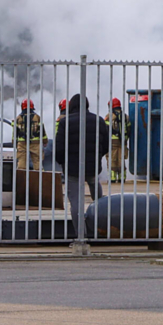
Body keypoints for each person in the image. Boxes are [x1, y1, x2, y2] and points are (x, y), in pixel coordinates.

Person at [55, 94, 109, 233]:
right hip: (91, 166)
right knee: (95, 188)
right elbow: (106, 145)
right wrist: (96, 157)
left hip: (72, 168)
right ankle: (100, 225)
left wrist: (62, 163)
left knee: (75, 202)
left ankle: (81, 234)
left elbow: (59, 148)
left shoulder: (65, 122)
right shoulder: (99, 120)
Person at [14, 99, 45, 170]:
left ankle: (21, 180)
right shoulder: (37, 117)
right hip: (35, 144)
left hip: (22, 144)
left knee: (21, 164)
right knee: (37, 163)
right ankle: (40, 180)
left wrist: (15, 143)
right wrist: (45, 141)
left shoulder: (18, 118)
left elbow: (15, 133)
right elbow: (42, 131)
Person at [105, 98, 128, 183]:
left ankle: (112, 178)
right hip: (123, 142)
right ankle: (122, 177)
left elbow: (105, 129)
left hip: (112, 142)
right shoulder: (125, 116)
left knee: (112, 160)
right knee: (121, 160)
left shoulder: (109, 116)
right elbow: (128, 129)